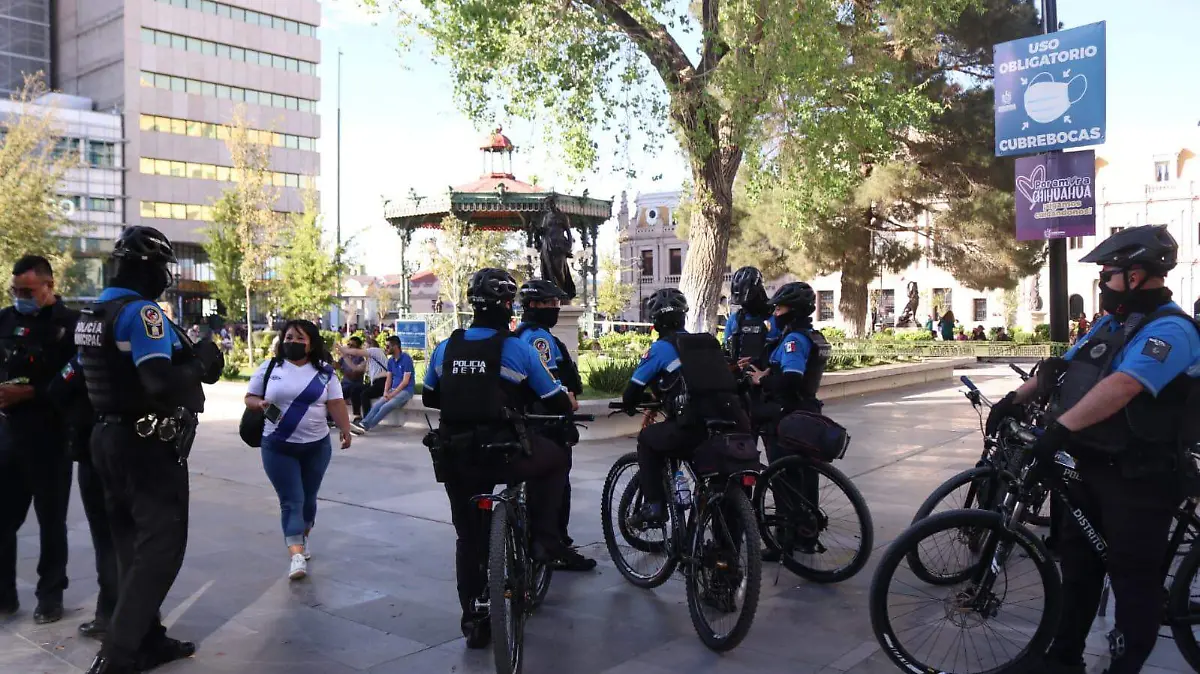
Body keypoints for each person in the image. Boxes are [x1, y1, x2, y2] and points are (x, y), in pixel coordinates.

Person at [986, 225, 1200, 674]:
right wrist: (1013, 401)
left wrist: (1059, 430)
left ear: (1136, 276)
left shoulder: (1172, 331)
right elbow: (1063, 369)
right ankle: (1063, 659)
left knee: (1131, 581)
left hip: (1138, 477)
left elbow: (1124, 386)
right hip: (1088, 468)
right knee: (1078, 569)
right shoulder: (1112, 322)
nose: (1102, 283)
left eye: (1108, 274)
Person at [76, 227, 223, 674]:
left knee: (128, 547)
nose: (165, 278)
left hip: (107, 440)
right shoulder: (142, 314)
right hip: (146, 446)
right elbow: (157, 381)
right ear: (147, 267)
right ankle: (118, 658)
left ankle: (148, 640)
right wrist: (201, 363)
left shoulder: (94, 310)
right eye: (163, 268)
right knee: (161, 549)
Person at [423, 268, 574, 647]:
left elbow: (430, 396)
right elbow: (555, 399)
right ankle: (544, 539)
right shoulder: (517, 348)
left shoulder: (446, 347)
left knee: (467, 537)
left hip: (458, 456)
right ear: (509, 306)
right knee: (555, 459)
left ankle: (474, 618)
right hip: (505, 453)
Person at [621, 288, 748, 528]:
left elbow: (631, 393)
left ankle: (654, 506)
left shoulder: (660, 349)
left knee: (648, 439)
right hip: (731, 423)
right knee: (715, 481)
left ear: (655, 321)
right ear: (683, 317)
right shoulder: (707, 343)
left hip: (694, 428)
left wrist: (631, 405)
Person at [0, 256, 79, 624]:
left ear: (48, 286)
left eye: (27, 291)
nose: (20, 297)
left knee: (51, 521)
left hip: (50, 438)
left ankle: (50, 595)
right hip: (8, 436)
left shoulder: (69, 326)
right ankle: (4, 596)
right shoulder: (5, 319)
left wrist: (32, 394)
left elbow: (74, 382)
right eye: (15, 290)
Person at [245, 319, 352, 580]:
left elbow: (336, 403)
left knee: (308, 500)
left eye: (299, 338)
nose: (292, 342)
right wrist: (259, 405)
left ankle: (301, 539)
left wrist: (346, 430)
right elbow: (250, 397)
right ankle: (296, 554)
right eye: (288, 337)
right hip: (277, 446)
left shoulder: (325, 372)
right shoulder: (270, 367)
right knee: (292, 500)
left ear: (311, 343)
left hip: (316, 447)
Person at [513, 279, 595, 572]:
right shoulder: (538, 339)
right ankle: (554, 544)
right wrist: (566, 400)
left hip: (531, 421)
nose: (556, 309)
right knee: (556, 485)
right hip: (548, 421)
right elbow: (551, 380)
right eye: (550, 304)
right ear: (533, 306)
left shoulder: (523, 335)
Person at [47, 351, 119, 640]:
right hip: (135, 455)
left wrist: (79, 417)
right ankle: (140, 612)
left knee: (105, 538)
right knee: (133, 537)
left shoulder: (86, 357)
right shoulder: (138, 354)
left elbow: (57, 389)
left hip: (95, 451)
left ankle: (109, 615)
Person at [351, 336, 414, 435]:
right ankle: (363, 424)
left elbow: (405, 381)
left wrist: (392, 394)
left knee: (386, 406)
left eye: (388, 346)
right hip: (393, 390)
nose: (386, 348)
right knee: (378, 404)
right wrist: (386, 391)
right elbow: (389, 378)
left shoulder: (406, 359)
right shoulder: (391, 361)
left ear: (396, 346)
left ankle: (365, 426)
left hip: (406, 391)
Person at [723, 266, 777, 365]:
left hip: (766, 375)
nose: (746, 306)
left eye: (749, 301)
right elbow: (727, 353)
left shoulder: (777, 318)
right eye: (742, 303)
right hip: (739, 376)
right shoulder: (734, 319)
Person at [338, 337, 390, 416]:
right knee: (355, 389)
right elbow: (355, 368)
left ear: (370, 346)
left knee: (365, 394)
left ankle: (367, 419)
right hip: (375, 383)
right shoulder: (368, 361)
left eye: (365, 346)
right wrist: (344, 355)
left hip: (384, 381)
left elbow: (356, 352)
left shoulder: (376, 351)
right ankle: (357, 416)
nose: (363, 349)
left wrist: (341, 349)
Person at [336, 336, 368, 421]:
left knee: (340, 394)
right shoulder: (344, 358)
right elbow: (335, 366)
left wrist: (342, 369)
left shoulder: (360, 359)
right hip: (343, 384)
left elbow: (354, 376)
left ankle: (357, 416)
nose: (349, 346)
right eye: (348, 344)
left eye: (352, 345)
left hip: (353, 386)